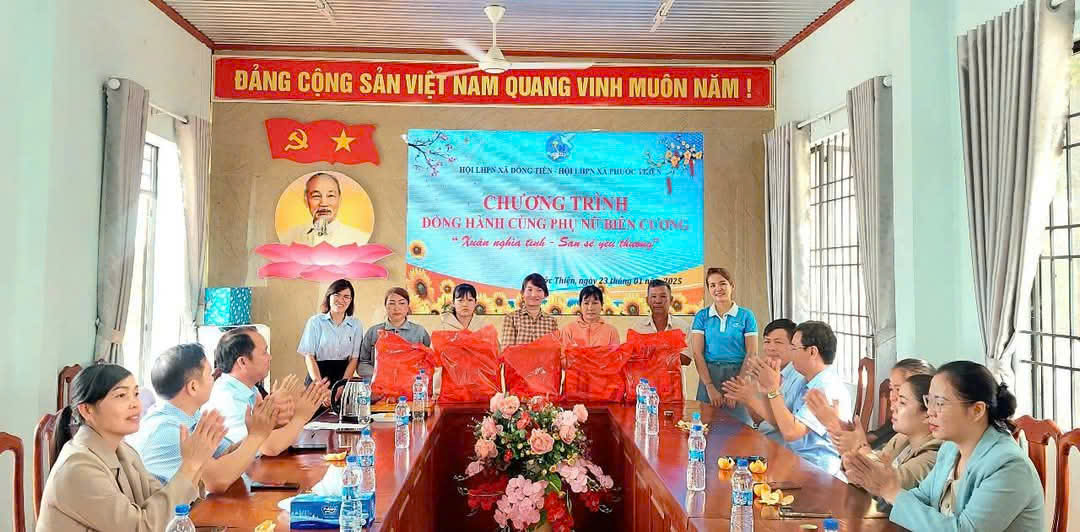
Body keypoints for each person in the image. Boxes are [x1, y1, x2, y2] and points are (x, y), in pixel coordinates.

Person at [845, 361, 1043, 531]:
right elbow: (922, 498)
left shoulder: (1009, 466)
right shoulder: (950, 449)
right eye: (928, 401)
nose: (930, 412)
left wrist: (892, 492)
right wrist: (877, 485)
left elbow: (964, 530)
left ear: (977, 410)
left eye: (939, 403)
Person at [36, 364, 224, 532]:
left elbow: (165, 505)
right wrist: (190, 465)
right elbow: (142, 527)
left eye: (135, 394)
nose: (135, 404)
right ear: (87, 410)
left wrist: (198, 461)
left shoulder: (124, 450)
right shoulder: (77, 468)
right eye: (121, 396)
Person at [131, 344, 278, 492]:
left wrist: (259, 428)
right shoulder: (165, 430)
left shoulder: (190, 415)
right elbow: (218, 480)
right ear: (193, 387)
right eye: (209, 375)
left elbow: (226, 453)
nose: (214, 379)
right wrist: (256, 436)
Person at [745, 320, 851, 477]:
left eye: (794, 348)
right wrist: (763, 389)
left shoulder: (826, 387)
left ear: (812, 352)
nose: (790, 352)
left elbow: (791, 432)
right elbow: (779, 420)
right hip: (793, 460)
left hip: (817, 471)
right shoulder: (805, 380)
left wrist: (773, 390)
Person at [202, 327, 328, 455]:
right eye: (264, 352)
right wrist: (301, 416)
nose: (270, 357)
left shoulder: (250, 388)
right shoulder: (228, 398)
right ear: (243, 362)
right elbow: (268, 446)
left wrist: (284, 414)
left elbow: (267, 434)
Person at [838, 374, 940, 490]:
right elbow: (876, 461)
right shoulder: (902, 438)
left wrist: (861, 446)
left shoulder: (934, 455)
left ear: (928, 413)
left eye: (902, 402)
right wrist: (850, 458)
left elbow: (890, 485)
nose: (892, 408)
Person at [689, 267, 758, 420]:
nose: (718, 289)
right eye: (712, 285)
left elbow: (752, 353)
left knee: (739, 428)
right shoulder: (702, 316)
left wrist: (737, 388)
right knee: (706, 425)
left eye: (722, 283)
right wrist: (709, 386)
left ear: (732, 286)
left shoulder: (746, 316)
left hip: (738, 376)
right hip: (709, 375)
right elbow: (697, 353)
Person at [828, 358, 936, 454]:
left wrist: (858, 444)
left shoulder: (927, 448)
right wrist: (850, 432)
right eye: (891, 389)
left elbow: (879, 466)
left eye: (899, 390)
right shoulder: (898, 429)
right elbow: (873, 439)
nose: (892, 397)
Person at [721, 318, 803, 435]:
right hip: (763, 438)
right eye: (767, 341)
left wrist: (751, 399)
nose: (771, 348)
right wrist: (746, 400)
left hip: (782, 444)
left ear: (793, 345)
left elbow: (787, 428)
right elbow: (760, 421)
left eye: (778, 342)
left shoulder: (801, 378)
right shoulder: (765, 372)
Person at [298, 279, 365, 385]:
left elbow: (354, 359)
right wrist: (319, 386)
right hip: (317, 378)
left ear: (351, 300)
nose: (341, 300)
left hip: (343, 378)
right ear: (329, 296)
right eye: (337, 295)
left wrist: (342, 385)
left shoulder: (356, 325)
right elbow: (309, 356)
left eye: (346, 296)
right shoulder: (315, 322)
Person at [359, 287, 432, 382]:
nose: (397, 308)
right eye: (392, 303)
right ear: (385, 306)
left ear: (408, 307)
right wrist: (381, 374)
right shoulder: (373, 332)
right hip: (380, 386)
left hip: (411, 386)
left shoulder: (419, 332)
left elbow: (429, 362)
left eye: (402, 303)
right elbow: (362, 364)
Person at [283, 172, 371, 246]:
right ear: (306, 201)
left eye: (330, 195)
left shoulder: (360, 239)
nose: (323, 203)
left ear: (339, 200)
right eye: (316, 196)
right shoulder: (289, 238)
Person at [630, 279, 691, 364]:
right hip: (646, 373)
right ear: (647, 300)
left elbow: (686, 359)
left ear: (671, 299)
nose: (658, 301)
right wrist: (667, 351)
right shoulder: (637, 328)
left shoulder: (683, 326)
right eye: (653, 296)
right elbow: (633, 358)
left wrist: (652, 352)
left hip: (674, 373)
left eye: (663, 296)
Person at [500, 273, 559, 347]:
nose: (533, 294)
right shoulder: (511, 318)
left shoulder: (552, 321)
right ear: (522, 293)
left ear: (545, 295)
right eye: (530, 290)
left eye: (539, 290)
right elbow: (507, 350)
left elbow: (555, 349)